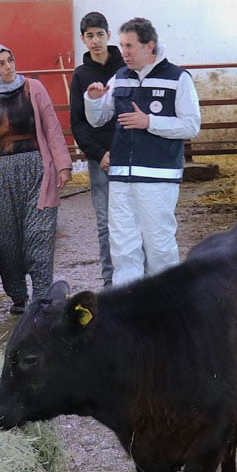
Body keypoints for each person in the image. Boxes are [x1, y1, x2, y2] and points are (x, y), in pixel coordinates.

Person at [84, 17, 201, 287]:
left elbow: (191, 126)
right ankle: (129, 306)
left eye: (130, 46)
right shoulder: (120, 78)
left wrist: (150, 122)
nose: (123, 52)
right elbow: (98, 119)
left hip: (157, 176)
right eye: (122, 45)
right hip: (121, 176)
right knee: (123, 246)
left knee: (159, 246)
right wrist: (93, 99)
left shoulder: (178, 79)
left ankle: (166, 304)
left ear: (149, 47)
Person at [0, 44, 72, 314]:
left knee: (39, 234)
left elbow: (51, 127)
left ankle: (42, 298)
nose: (9, 67)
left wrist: (62, 165)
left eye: (10, 60)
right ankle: (18, 297)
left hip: (37, 170)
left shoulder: (33, 89)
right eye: (0, 63)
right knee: (7, 239)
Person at [69, 11, 124, 288]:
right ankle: (109, 281)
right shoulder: (81, 76)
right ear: (83, 39)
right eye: (89, 36)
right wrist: (98, 153)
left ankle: (134, 278)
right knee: (105, 223)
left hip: (130, 154)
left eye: (100, 34)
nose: (95, 40)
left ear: (108, 35)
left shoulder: (125, 68)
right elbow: (77, 122)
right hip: (100, 158)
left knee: (133, 220)